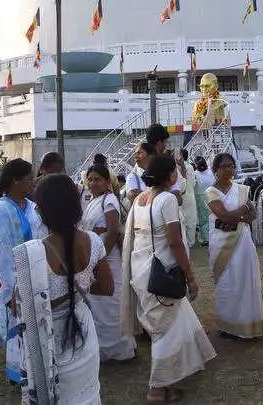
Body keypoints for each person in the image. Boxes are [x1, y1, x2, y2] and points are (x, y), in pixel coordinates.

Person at [121, 155, 216, 404]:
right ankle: (156, 388)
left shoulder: (139, 200)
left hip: (142, 272)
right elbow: (174, 242)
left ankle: (170, 383)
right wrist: (191, 277)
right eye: (175, 171)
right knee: (164, 333)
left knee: (170, 327)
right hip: (162, 274)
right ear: (169, 176)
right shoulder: (167, 200)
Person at [14, 174, 112, 404]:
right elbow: (107, 287)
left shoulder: (32, 253)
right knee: (87, 394)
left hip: (48, 335)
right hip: (84, 327)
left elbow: (16, 306)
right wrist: (81, 287)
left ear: (42, 211)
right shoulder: (94, 242)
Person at [0, 158, 47, 383]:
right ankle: (19, 372)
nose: (33, 181)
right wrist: (11, 290)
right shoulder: (0, 210)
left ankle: (37, 369)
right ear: (15, 181)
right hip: (13, 281)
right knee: (18, 326)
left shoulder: (31, 206)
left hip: (36, 275)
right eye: (29, 178)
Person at [80, 164, 137, 362]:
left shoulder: (109, 200)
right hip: (94, 258)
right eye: (91, 179)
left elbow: (112, 231)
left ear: (107, 182)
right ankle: (103, 349)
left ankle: (121, 348)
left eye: (98, 179)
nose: (93, 183)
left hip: (107, 258)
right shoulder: (92, 202)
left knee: (112, 302)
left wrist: (99, 258)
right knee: (98, 305)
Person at [205, 153, 263, 339]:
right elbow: (224, 216)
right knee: (226, 282)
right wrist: (244, 211)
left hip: (243, 242)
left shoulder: (242, 189)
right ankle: (228, 325)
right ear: (215, 170)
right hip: (221, 242)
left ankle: (248, 323)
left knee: (245, 280)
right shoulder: (211, 192)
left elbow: (253, 214)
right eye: (223, 166)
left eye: (231, 166)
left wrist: (241, 215)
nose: (228, 169)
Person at [177, 149, 199, 248]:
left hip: (179, 197)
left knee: (181, 220)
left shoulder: (175, 168)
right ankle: (191, 242)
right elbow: (194, 183)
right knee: (191, 220)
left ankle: (184, 243)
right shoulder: (190, 167)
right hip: (190, 196)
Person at [193, 156, 213, 245]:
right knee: (212, 217)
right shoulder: (210, 172)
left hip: (200, 196)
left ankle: (205, 238)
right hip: (211, 195)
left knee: (203, 219)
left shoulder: (195, 174)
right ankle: (212, 236)